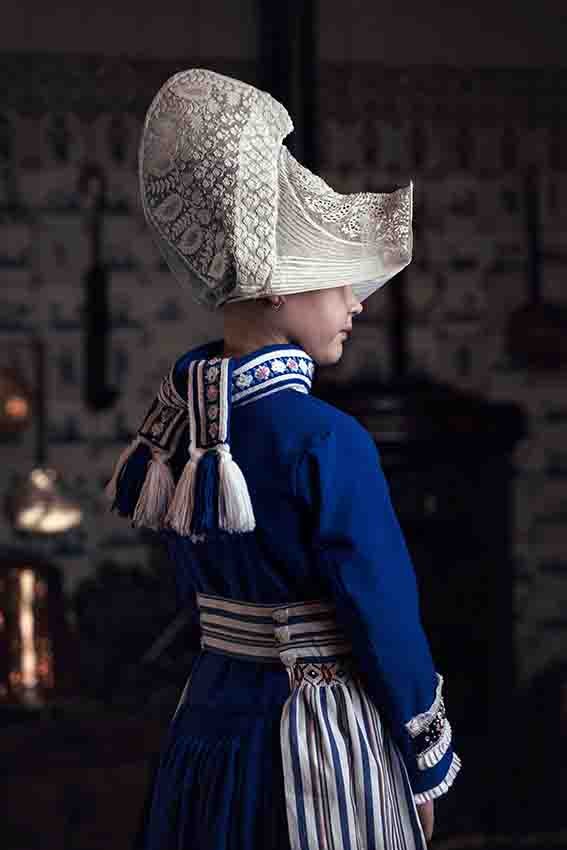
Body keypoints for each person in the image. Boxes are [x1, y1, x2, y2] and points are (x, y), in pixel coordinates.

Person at [106, 68, 461, 850]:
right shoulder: (326, 439)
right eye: (338, 282)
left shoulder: (176, 427)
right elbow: (384, 617)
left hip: (205, 727)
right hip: (316, 744)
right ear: (275, 289)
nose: (357, 302)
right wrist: (423, 762)